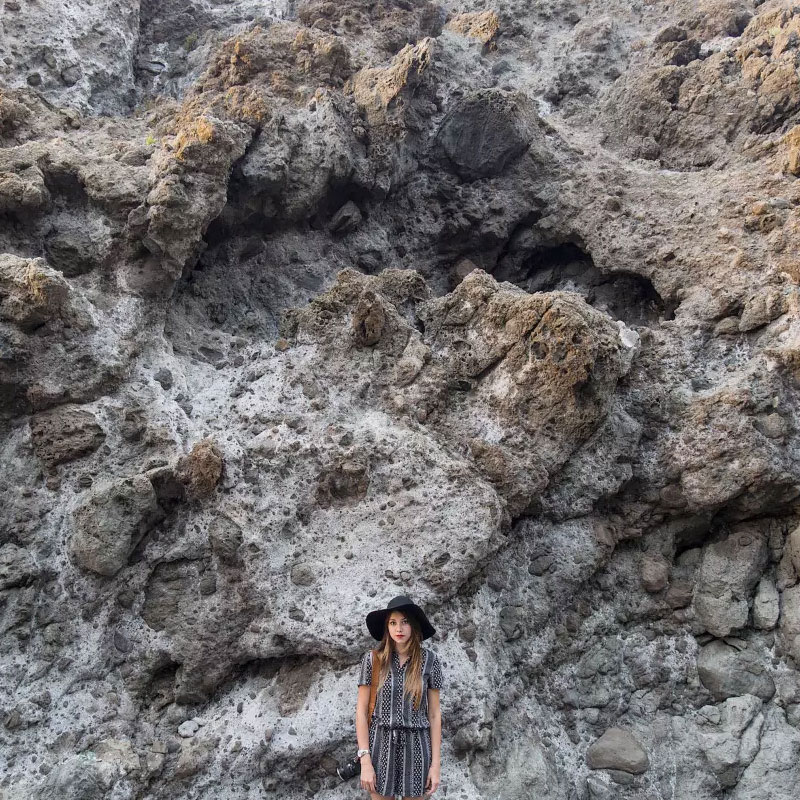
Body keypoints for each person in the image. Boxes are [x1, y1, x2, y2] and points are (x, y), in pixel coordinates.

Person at [354, 595, 443, 799]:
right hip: (380, 747)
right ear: (387, 627)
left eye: (404, 622)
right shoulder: (373, 660)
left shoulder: (430, 661)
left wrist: (436, 765)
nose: (399, 629)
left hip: (418, 749)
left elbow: (435, 714)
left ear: (414, 625)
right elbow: (360, 711)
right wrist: (365, 760)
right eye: (393, 623)